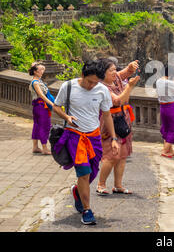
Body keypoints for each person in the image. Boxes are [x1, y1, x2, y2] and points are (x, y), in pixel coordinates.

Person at [52, 60, 119, 225]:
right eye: (89, 81)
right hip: (75, 136)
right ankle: (87, 209)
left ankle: (77, 190)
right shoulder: (68, 87)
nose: (92, 85)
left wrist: (114, 138)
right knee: (83, 172)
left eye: (96, 82)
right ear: (82, 75)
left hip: (94, 136)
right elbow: (56, 106)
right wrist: (66, 117)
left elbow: (107, 115)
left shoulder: (102, 90)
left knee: (93, 172)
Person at [96, 58, 140, 196]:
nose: (115, 72)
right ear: (103, 73)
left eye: (115, 69)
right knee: (112, 155)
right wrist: (129, 87)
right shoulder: (102, 86)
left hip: (123, 119)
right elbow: (117, 101)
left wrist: (131, 67)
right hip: (110, 122)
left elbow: (125, 72)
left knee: (122, 155)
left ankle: (118, 185)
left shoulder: (116, 79)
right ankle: (101, 184)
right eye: (111, 70)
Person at [28, 62, 54, 155]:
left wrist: (35, 65)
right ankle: (45, 148)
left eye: (42, 69)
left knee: (37, 125)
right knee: (44, 126)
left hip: (38, 106)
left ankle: (35, 147)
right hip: (41, 106)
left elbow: (43, 67)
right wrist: (51, 103)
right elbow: (41, 95)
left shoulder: (38, 80)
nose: (42, 71)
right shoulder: (35, 82)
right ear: (35, 72)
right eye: (40, 70)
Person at [156, 66, 174, 158]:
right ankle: (165, 151)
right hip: (171, 107)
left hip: (163, 107)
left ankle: (169, 150)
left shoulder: (159, 81)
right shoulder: (170, 83)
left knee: (166, 127)